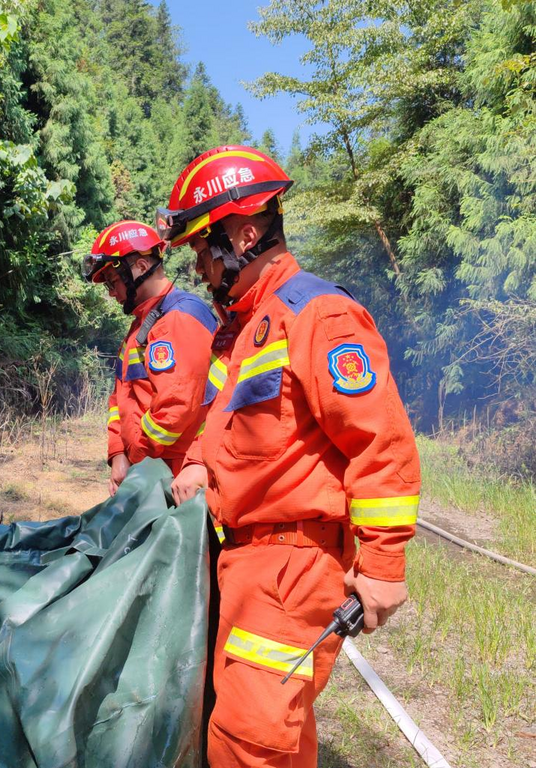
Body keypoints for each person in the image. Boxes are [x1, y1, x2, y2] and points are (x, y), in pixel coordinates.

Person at [157, 145, 421, 767]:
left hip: (290, 567)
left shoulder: (320, 317)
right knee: (273, 735)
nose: (198, 266)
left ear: (245, 232)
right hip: (248, 559)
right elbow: (226, 427)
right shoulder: (248, 328)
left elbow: (380, 441)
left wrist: (382, 562)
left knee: (249, 743)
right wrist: (197, 462)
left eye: (203, 247)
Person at [83, 220, 218, 505]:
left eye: (113, 282)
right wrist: (118, 454)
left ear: (141, 267)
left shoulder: (178, 319)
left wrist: (138, 460)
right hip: (151, 475)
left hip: (175, 478)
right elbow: (119, 398)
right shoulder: (141, 327)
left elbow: (176, 409)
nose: (110, 292)